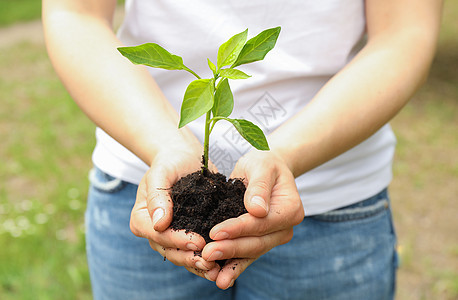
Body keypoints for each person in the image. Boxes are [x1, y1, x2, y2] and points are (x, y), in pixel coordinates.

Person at [42, 0, 443, 299]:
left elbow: (405, 32)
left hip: (332, 203)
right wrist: (164, 144)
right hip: (147, 193)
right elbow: (73, 13)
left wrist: (284, 154)